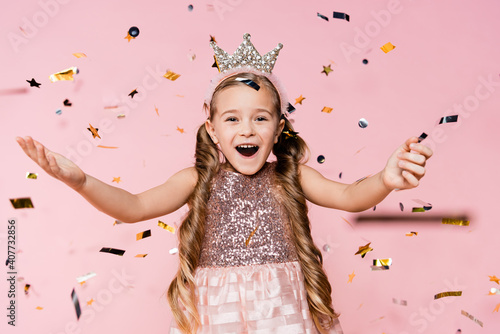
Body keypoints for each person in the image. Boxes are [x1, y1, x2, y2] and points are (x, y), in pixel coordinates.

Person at [16, 34, 433, 334]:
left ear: (278, 127)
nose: (246, 128)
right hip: (220, 315)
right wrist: (81, 180)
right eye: (232, 118)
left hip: (282, 312)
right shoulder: (197, 180)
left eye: (260, 117)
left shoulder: (289, 175)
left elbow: (349, 196)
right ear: (212, 128)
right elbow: (134, 207)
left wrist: (385, 179)